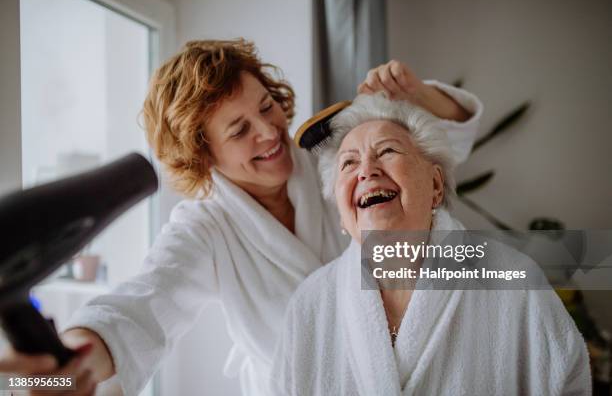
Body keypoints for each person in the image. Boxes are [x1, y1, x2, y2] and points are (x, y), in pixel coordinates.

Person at [0, 39, 482, 396]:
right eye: (239, 130)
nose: (270, 132)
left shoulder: (329, 155)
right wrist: (69, 355)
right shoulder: (205, 229)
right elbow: (139, 308)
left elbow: (442, 144)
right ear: (202, 154)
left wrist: (420, 95)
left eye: (267, 107)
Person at [270, 93, 591, 395]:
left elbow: (568, 382)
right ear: (341, 214)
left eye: (387, 151)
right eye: (348, 164)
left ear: (436, 185)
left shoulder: (513, 280)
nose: (366, 171)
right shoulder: (310, 304)